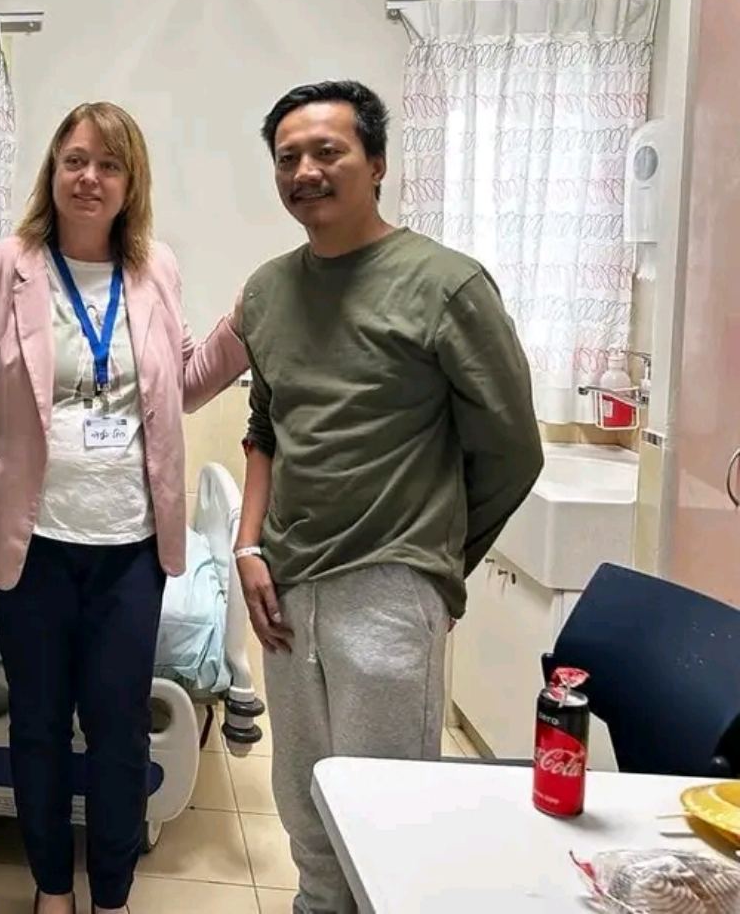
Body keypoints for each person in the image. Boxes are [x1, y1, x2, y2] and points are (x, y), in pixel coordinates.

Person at [233, 80, 543, 914]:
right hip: (286, 582)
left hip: (389, 581)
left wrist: (435, 564)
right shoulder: (266, 291)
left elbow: (512, 449)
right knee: (304, 800)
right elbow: (265, 428)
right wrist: (249, 545)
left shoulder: (446, 286)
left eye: (327, 151)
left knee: (388, 813)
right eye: (288, 157)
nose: (305, 170)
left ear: (376, 162)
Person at [0, 101, 250, 914]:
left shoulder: (157, 269)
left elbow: (183, 383)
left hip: (130, 547)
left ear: (131, 182)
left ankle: (112, 894)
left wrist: (243, 324)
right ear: (53, 170)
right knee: (38, 725)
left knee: (118, 728)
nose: (90, 177)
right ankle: (52, 887)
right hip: (31, 546)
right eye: (75, 160)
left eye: (109, 164)